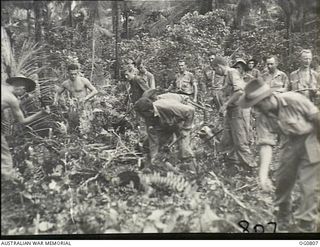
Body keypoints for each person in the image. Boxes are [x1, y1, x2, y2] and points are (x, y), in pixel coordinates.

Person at [239, 78, 320, 232]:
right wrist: (263, 176)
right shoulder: (263, 116)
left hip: (311, 139)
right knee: (282, 180)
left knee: (309, 186)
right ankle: (282, 218)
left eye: (258, 104)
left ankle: (306, 225)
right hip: (289, 143)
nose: (257, 109)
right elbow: (266, 145)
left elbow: (317, 119)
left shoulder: (293, 100)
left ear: (268, 98)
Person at [211, 56, 257, 170]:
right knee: (228, 138)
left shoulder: (232, 72)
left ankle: (250, 167)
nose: (215, 72)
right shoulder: (227, 76)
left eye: (215, 69)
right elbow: (227, 92)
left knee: (240, 140)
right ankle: (232, 164)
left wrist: (226, 105)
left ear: (219, 66)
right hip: (231, 111)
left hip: (238, 109)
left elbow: (239, 91)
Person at [1, 75, 50, 182]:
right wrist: (41, 113)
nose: (23, 94)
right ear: (22, 87)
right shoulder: (12, 99)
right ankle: (9, 188)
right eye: (25, 91)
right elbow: (22, 121)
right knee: (6, 161)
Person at [134, 96, 196, 171]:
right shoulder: (148, 117)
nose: (142, 117)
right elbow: (153, 139)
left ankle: (193, 171)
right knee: (150, 146)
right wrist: (154, 156)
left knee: (184, 149)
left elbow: (190, 111)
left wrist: (185, 129)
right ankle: (165, 168)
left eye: (142, 114)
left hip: (181, 118)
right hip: (165, 122)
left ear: (149, 111)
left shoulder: (168, 107)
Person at [200, 54, 224, 125]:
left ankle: (222, 124)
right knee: (206, 107)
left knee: (221, 108)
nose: (211, 60)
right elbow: (203, 81)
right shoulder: (206, 69)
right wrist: (204, 91)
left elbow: (227, 79)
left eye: (212, 58)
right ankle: (206, 124)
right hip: (210, 91)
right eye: (209, 59)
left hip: (220, 90)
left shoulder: (221, 68)